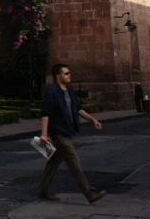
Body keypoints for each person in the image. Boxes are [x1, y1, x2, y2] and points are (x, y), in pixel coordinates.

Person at [37, 63, 105, 203]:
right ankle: (89, 193)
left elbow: (78, 109)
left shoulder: (70, 91)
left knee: (53, 163)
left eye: (69, 73)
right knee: (74, 162)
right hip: (58, 134)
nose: (69, 75)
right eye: (66, 73)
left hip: (68, 132)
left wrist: (92, 119)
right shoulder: (51, 92)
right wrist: (44, 134)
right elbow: (45, 114)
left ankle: (43, 191)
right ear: (58, 76)